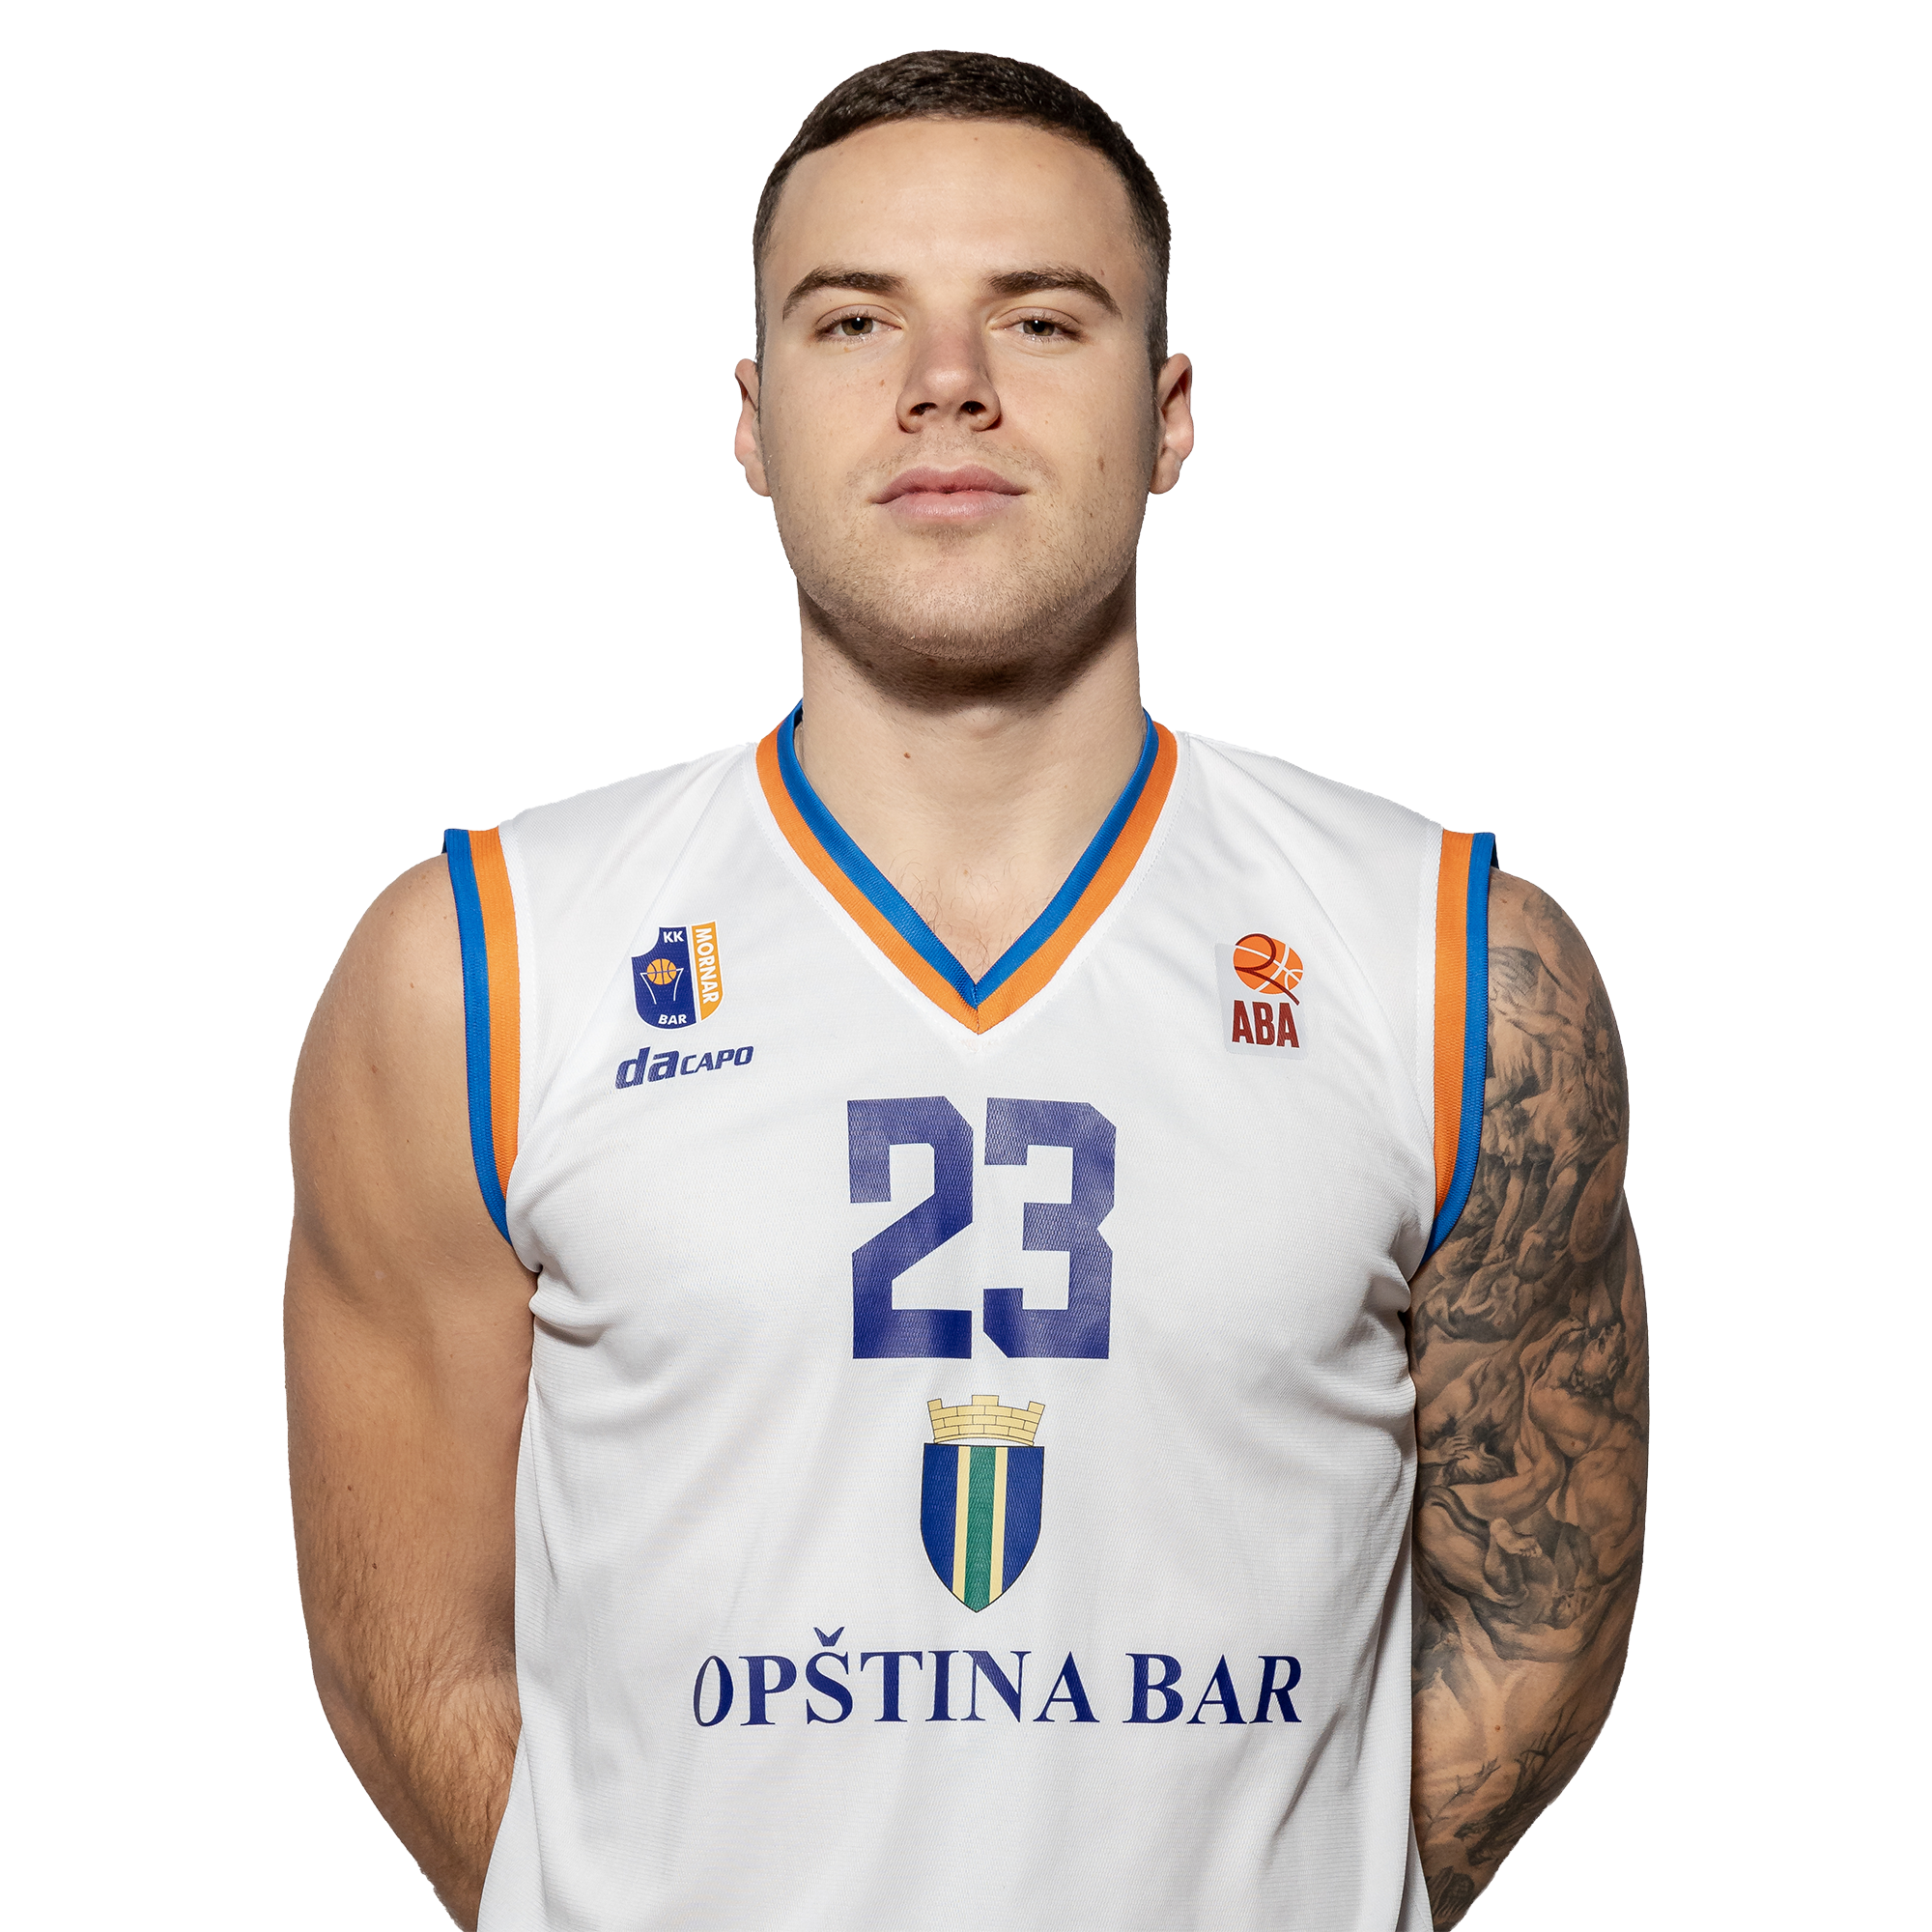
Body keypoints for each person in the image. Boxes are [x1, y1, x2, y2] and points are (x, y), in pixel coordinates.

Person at [286, 49, 1646, 1932]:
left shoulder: (1455, 968)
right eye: (855, 320)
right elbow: (412, 1652)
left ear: (1169, 415)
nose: (948, 380)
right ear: (751, 420)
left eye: (1042, 318)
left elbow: (1533, 1618)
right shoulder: (479, 968)